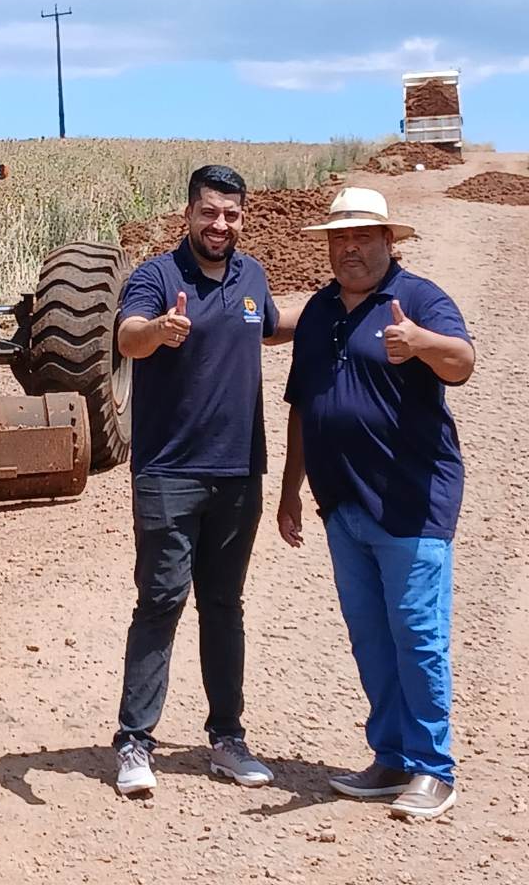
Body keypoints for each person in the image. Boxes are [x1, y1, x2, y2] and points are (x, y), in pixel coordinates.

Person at [277, 186, 475, 820]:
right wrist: (290, 492)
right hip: (343, 504)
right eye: (339, 237)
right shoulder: (317, 312)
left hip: (410, 503)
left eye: (363, 236)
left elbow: (463, 363)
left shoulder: (417, 300)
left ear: (390, 241)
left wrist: (419, 342)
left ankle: (433, 769)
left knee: (416, 633)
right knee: (370, 637)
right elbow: (303, 406)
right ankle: (391, 756)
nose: (350, 247)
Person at [113, 164, 299, 796]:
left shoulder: (252, 276)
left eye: (232, 214)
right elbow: (127, 337)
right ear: (187, 214)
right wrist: (160, 330)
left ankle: (228, 739)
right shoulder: (156, 278)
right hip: (168, 472)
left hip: (240, 471)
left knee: (224, 606)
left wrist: (344, 311)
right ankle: (135, 743)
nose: (221, 225)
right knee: (161, 601)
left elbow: (269, 327)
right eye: (209, 212)